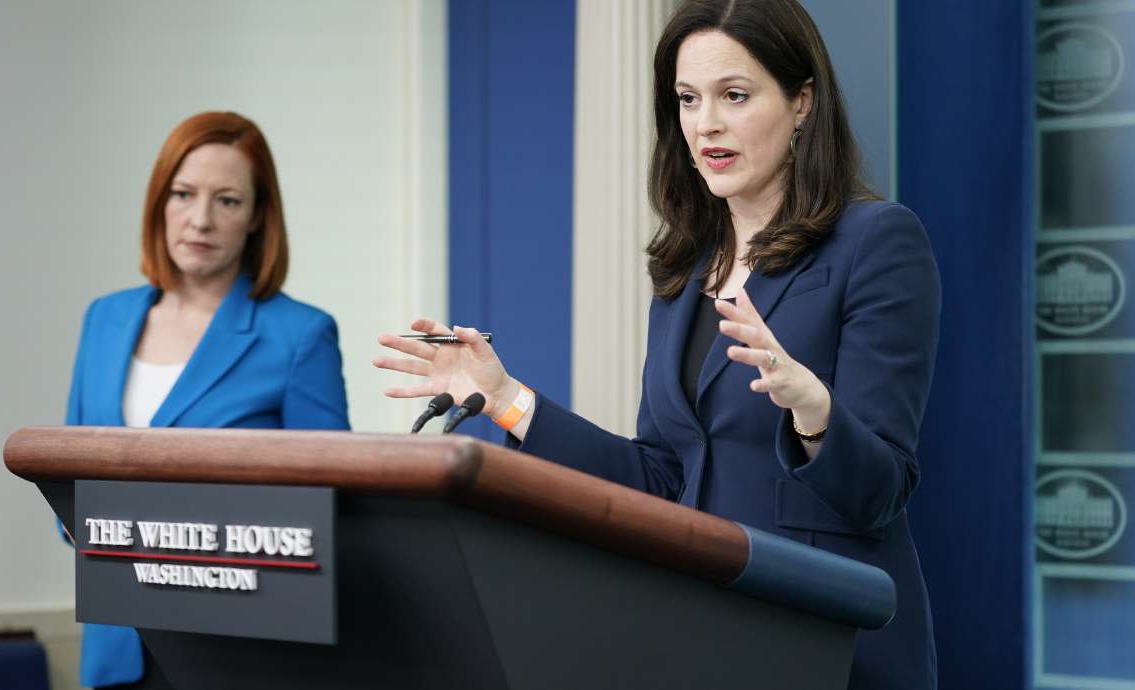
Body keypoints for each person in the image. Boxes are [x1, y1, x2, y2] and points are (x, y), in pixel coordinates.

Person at [374, 1, 938, 688]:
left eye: (735, 95)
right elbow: (664, 481)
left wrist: (815, 413)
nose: (707, 124)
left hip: (825, 646)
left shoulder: (876, 242)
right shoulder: (685, 272)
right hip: (701, 633)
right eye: (688, 99)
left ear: (801, 102)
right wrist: (507, 399)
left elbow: (882, 491)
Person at [64, 111, 350, 688]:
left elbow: (331, 508)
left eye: (227, 201)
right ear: (158, 202)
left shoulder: (300, 335)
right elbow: (64, 485)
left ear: (256, 218)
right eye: (183, 194)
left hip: (242, 653)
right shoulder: (105, 318)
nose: (200, 219)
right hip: (118, 647)